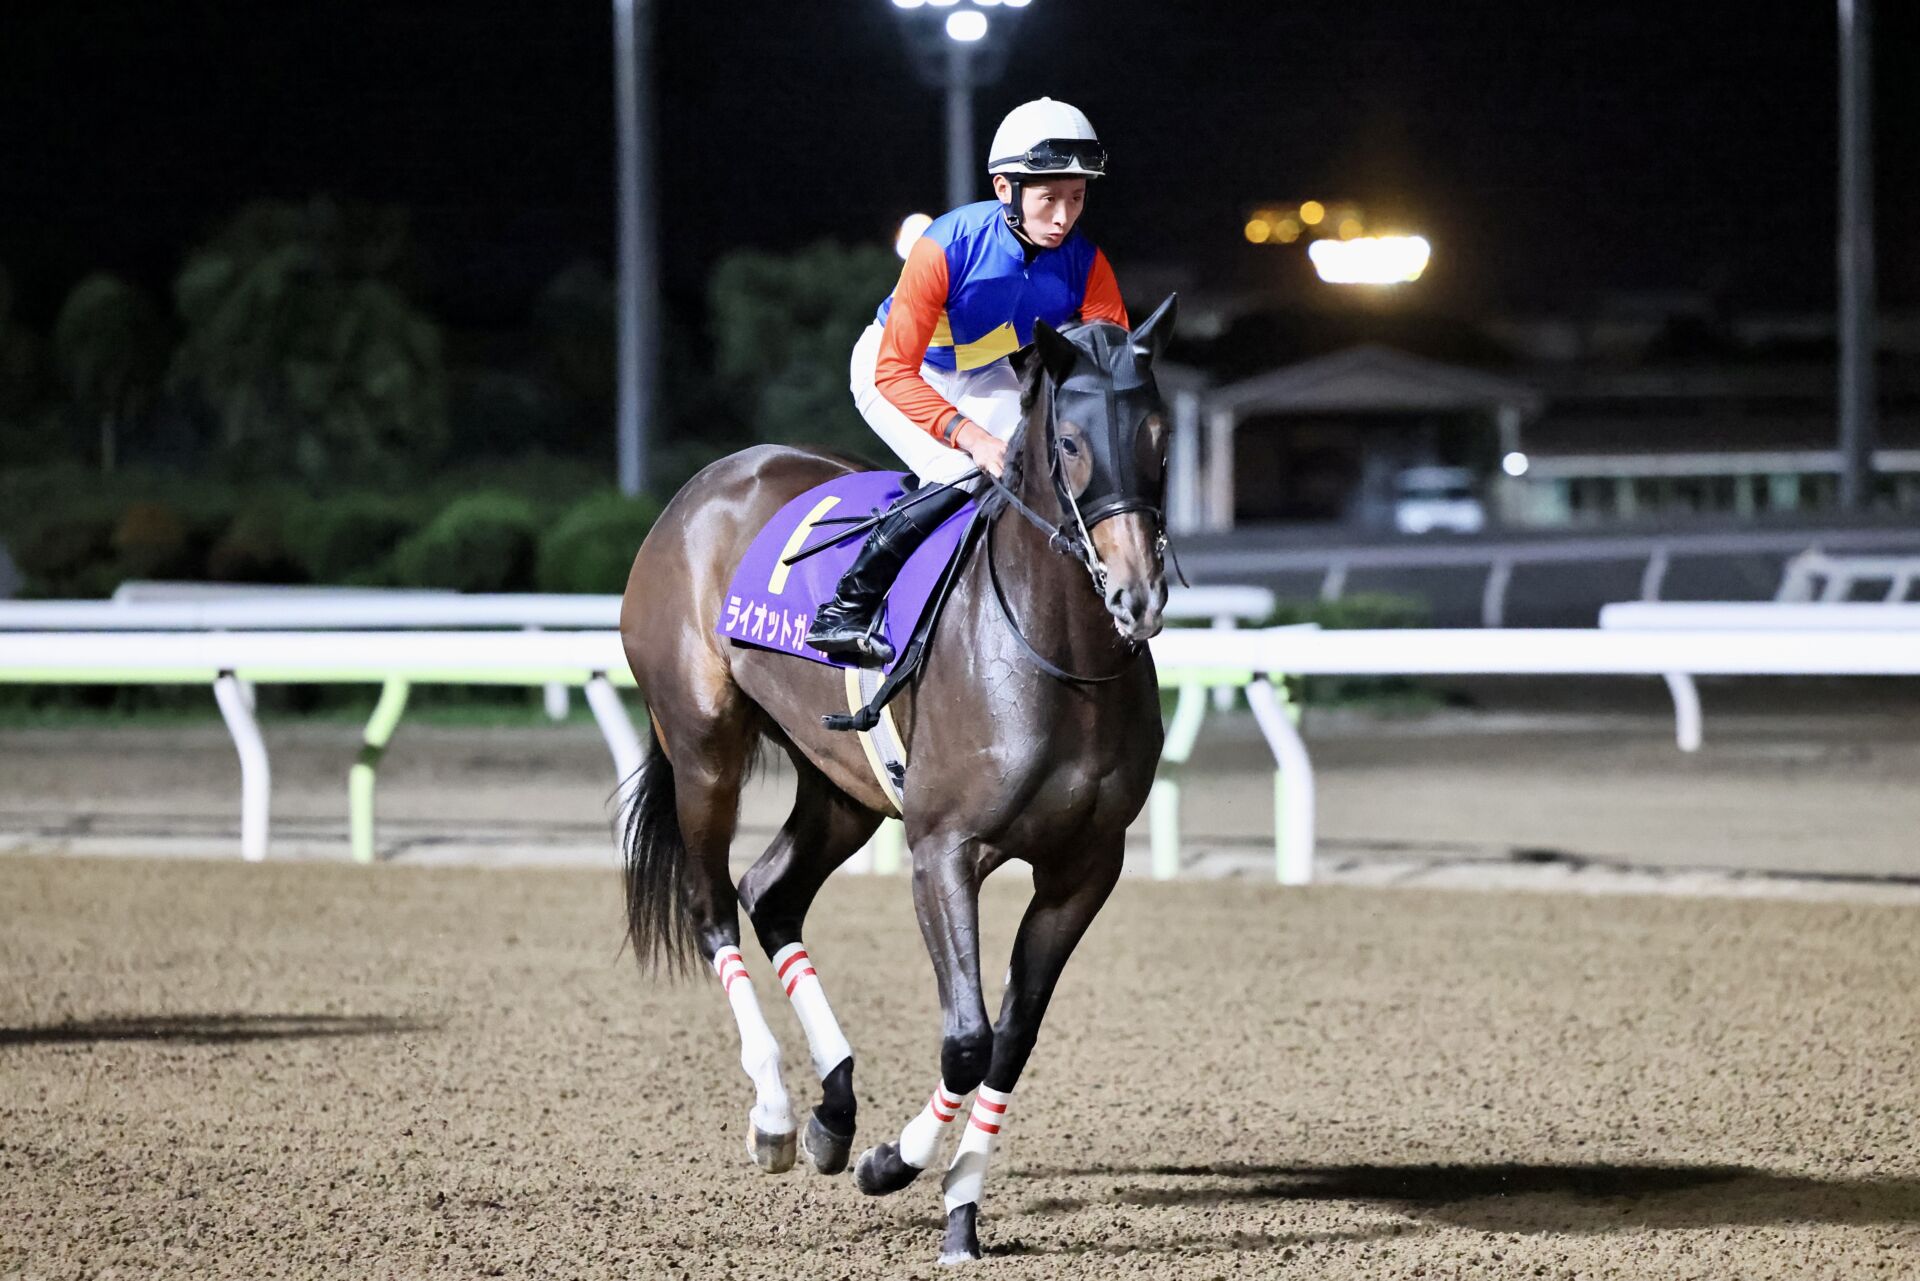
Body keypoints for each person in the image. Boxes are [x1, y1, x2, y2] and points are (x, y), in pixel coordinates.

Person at [805, 97, 1129, 666]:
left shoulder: (1086, 263)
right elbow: (893, 371)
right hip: (897, 368)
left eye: (1076, 198)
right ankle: (847, 606)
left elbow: (1109, 370)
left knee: (1032, 468)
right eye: (1048, 199)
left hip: (982, 371)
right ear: (1006, 189)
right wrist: (970, 436)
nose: (1063, 218)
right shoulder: (944, 247)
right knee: (964, 469)